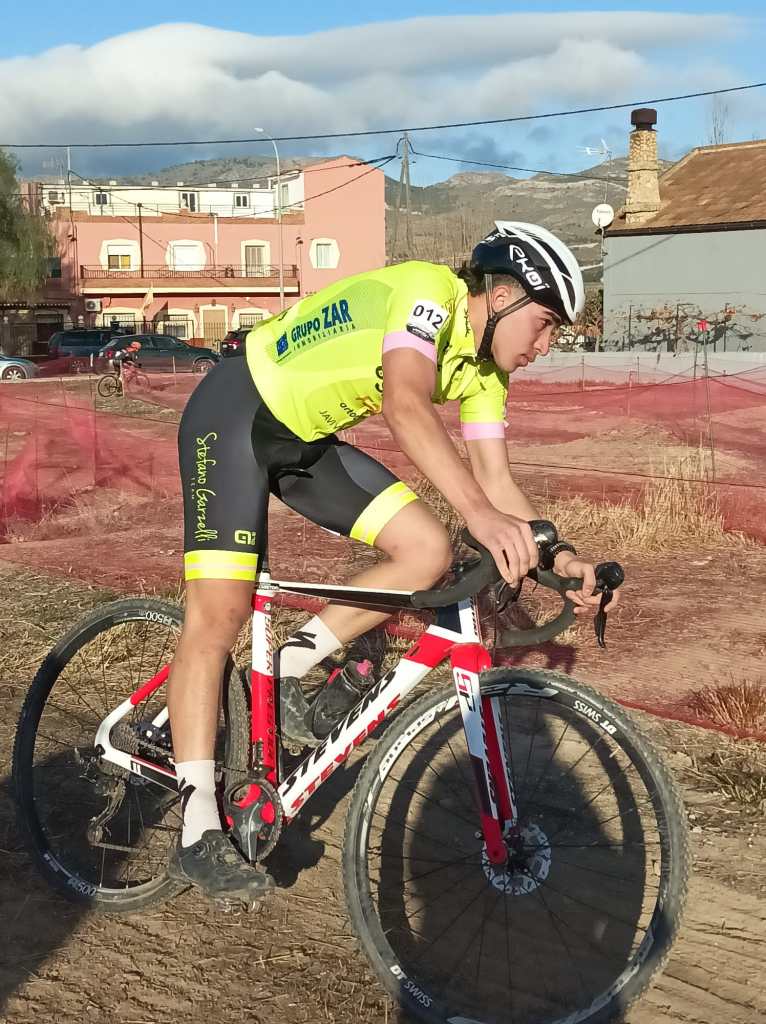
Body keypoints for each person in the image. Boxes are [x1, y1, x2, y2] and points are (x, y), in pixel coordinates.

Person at [166, 220, 620, 900]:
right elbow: (406, 403)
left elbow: (495, 481)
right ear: (501, 298)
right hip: (235, 411)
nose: (546, 345)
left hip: (305, 439)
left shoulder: (486, 372)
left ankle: (286, 668)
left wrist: (563, 556)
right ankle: (197, 821)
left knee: (427, 551)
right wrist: (480, 516)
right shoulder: (426, 292)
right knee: (218, 615)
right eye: (546, 323)